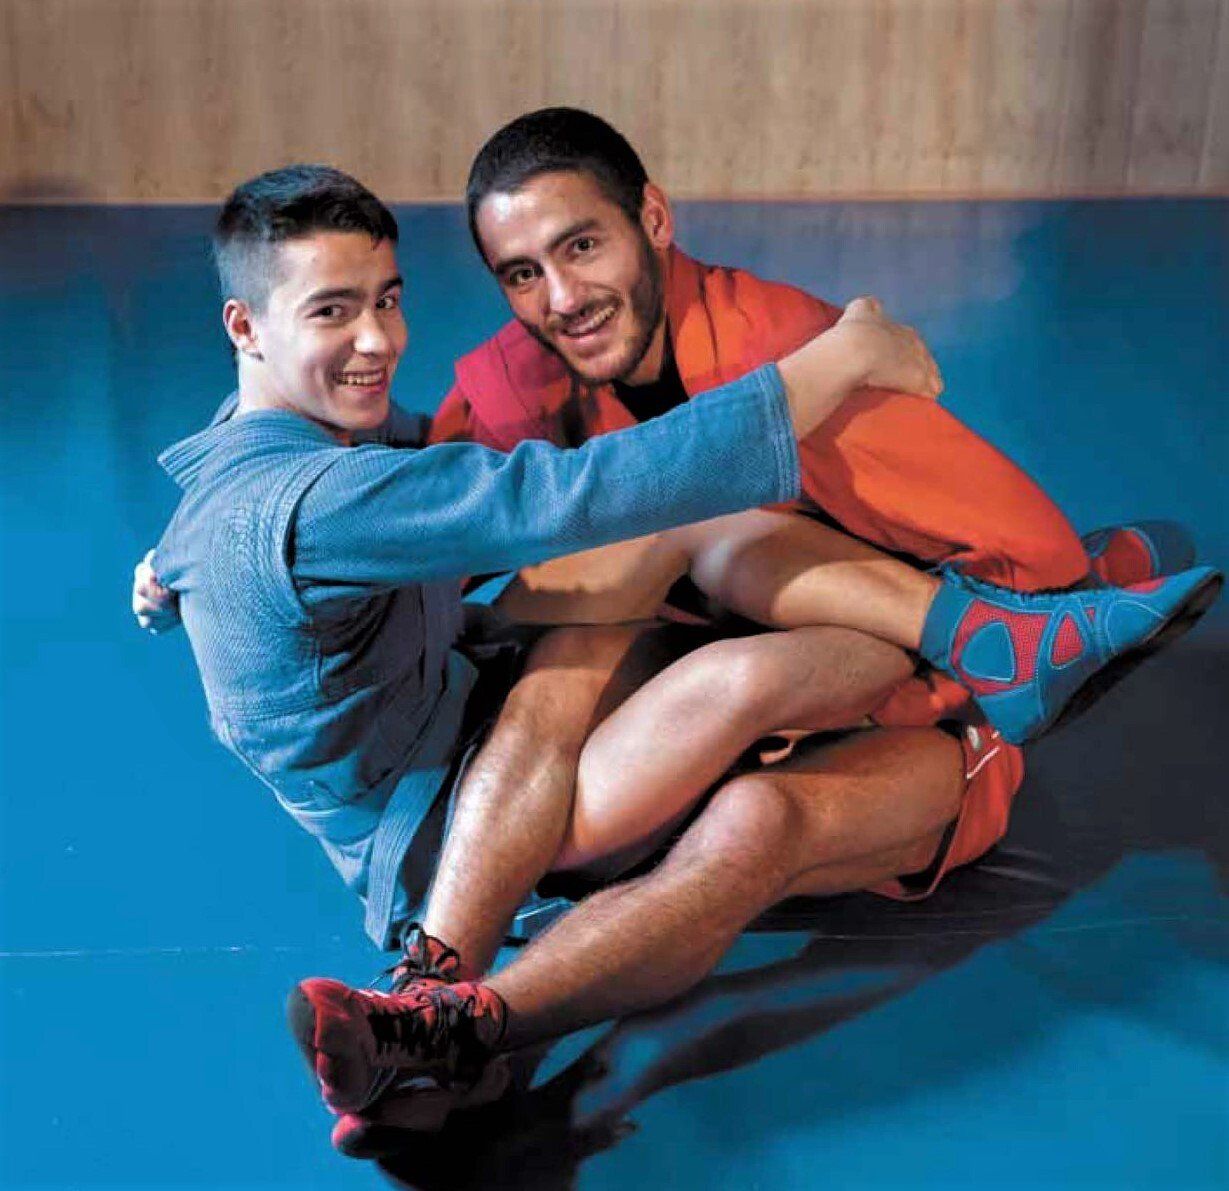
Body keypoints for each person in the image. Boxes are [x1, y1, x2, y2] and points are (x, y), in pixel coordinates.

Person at [137, 161, 1216, 1154]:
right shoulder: (313, 503)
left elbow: (402, 475)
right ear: (245, 324)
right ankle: (453, 1014)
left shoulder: (264, 457)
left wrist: (170, 561)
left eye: (386, 299)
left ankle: (1010, 626)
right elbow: (558, 494)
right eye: (333, 310)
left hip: (478, 736)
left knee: (714, 619)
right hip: (451, 825)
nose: (377, 339)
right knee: (752, 700)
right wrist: (839, 358)